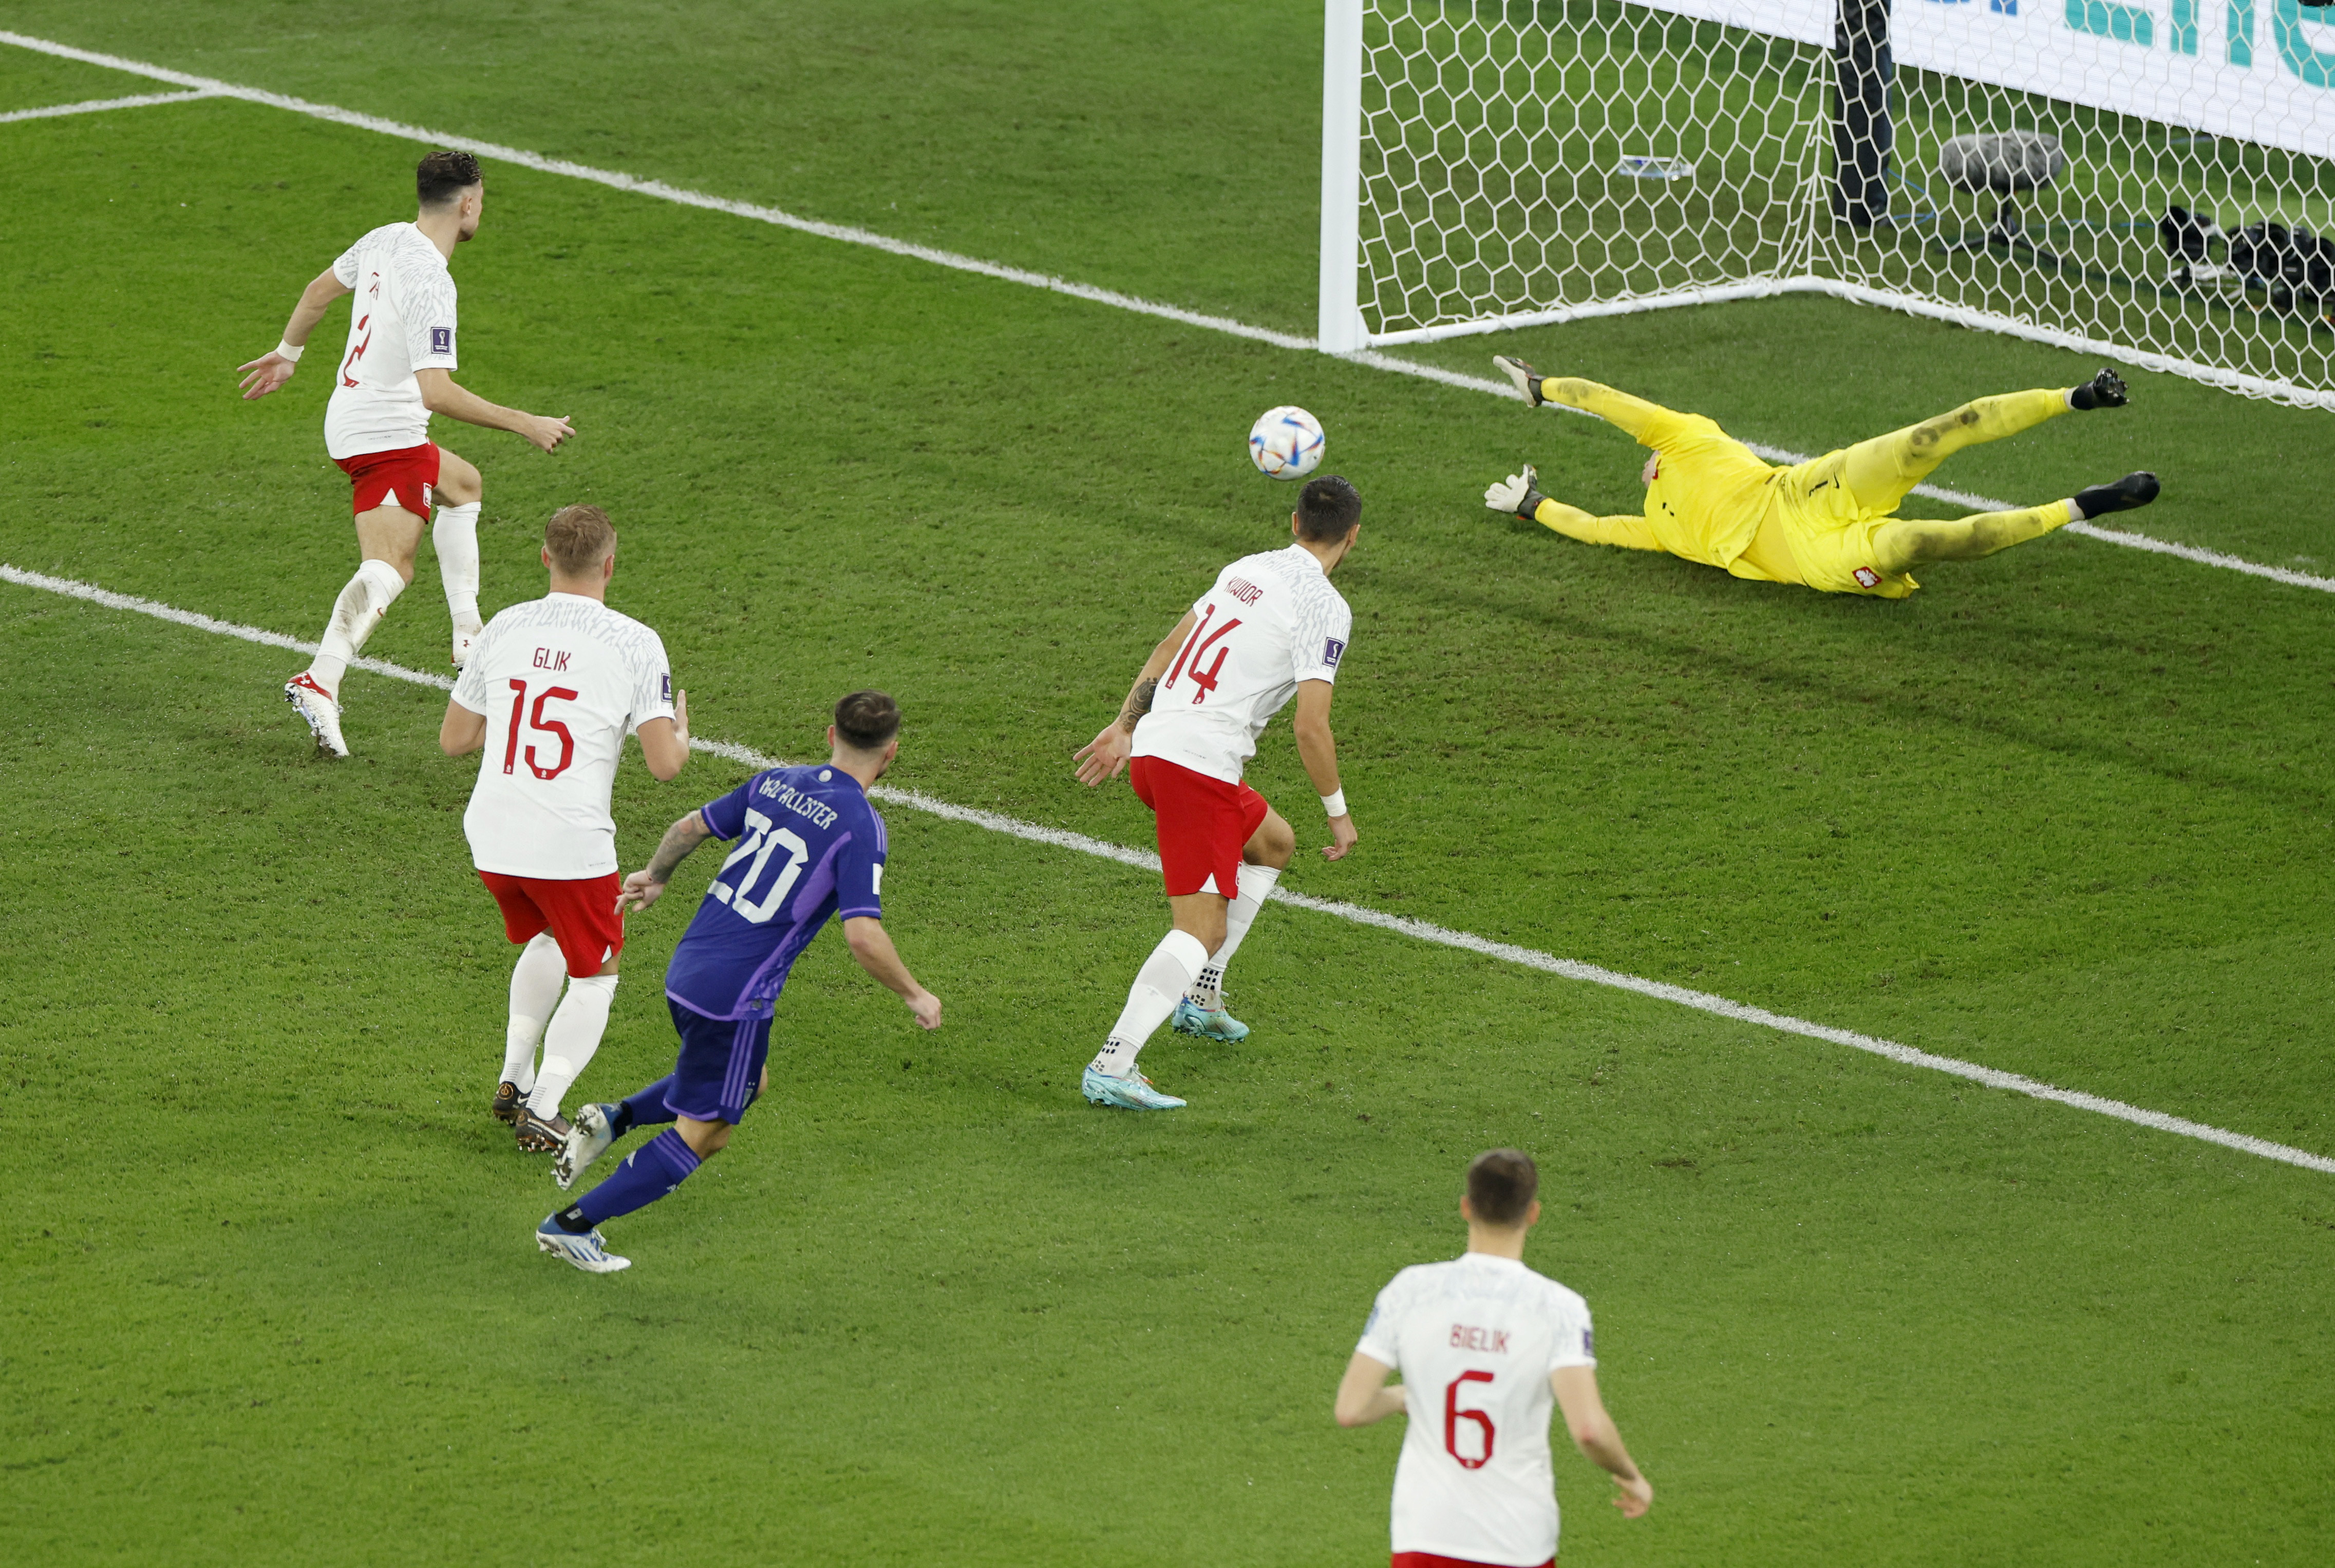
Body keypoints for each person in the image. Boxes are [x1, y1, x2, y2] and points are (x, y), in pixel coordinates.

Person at [537, 690, 943, 1274]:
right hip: (735, 997)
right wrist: (915, 992)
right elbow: (862, 935)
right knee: (707, 1133)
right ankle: (572, 1225)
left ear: (830, 736)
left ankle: (613, 1117)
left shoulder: (776, 781)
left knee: (750, 1081)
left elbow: (690, 825)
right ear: (892, 753)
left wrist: (655, 876)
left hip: (690, 966)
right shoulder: (862, 826)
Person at [238, 148, 577, 757]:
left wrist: (288, 353)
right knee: (392, 567)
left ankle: (468, 634)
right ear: (468, 203)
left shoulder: (385, 238)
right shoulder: (430, 279)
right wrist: (525, 422)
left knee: (464, 485)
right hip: (385, 431)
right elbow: (436, 392)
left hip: (355, 415)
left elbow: (318, 292)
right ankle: (322, 676)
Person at [1070, 475, 1364, 1111]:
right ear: (1353, 536)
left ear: (1293, 523)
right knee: (1199, 927)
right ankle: (1112, 1064)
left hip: (1160, 750)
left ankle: (1201, 998)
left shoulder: (1247, 567)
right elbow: (1311, 726)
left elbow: (1171, 646)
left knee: (1272, 843)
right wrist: (1338, 815)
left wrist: (1125, 727)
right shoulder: (1325, 607)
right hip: (1195, 767)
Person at [1481, 354, 2160, 599]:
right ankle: (2085, 505)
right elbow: (1598, 531)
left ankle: (2074, 397)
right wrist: (1532, 503)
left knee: (1929, 437)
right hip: (1813, 560)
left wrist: (1544, 387)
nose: (1645, 471)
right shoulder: (1659, 527)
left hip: (1802, 488)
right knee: (1919, 543)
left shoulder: (1684, 435)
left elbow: (1612, 403)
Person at [439, 505, 688, 1153]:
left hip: (491, 833)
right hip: (568, 841)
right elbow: (664, 766)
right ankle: (544, 1108)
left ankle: (513, 1080)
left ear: (545, 559)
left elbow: (455, 739)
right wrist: (682, 737)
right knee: (597, 973)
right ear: (610, 565)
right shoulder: (636, 640)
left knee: (550, 934)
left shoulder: (505, 626)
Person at [1335, 1149, 1653, 1568]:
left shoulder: (1410, 1291)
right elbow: (1590, 1430)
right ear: (1534, 1213)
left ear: (1467, 1207)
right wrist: (1631, 1474)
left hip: (1425, 1537)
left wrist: (1399, 1397)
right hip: (1518, 1542)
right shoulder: (1558, 1307)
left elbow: (1351, 1409)